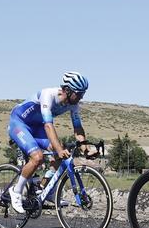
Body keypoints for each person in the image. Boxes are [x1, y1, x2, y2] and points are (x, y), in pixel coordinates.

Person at [7, 72, 94, 213]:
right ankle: (16, 191)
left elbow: (77, 128)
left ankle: (46, 189)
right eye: (79, 93)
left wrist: (86, 148)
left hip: (37, 128)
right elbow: (48, 125)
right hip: (20, 124)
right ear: (67, 90)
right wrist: (58, 149)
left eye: (83, 93)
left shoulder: (73, 105)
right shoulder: (48, 95)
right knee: (38, 157)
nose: (81, 97)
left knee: (61, 154)